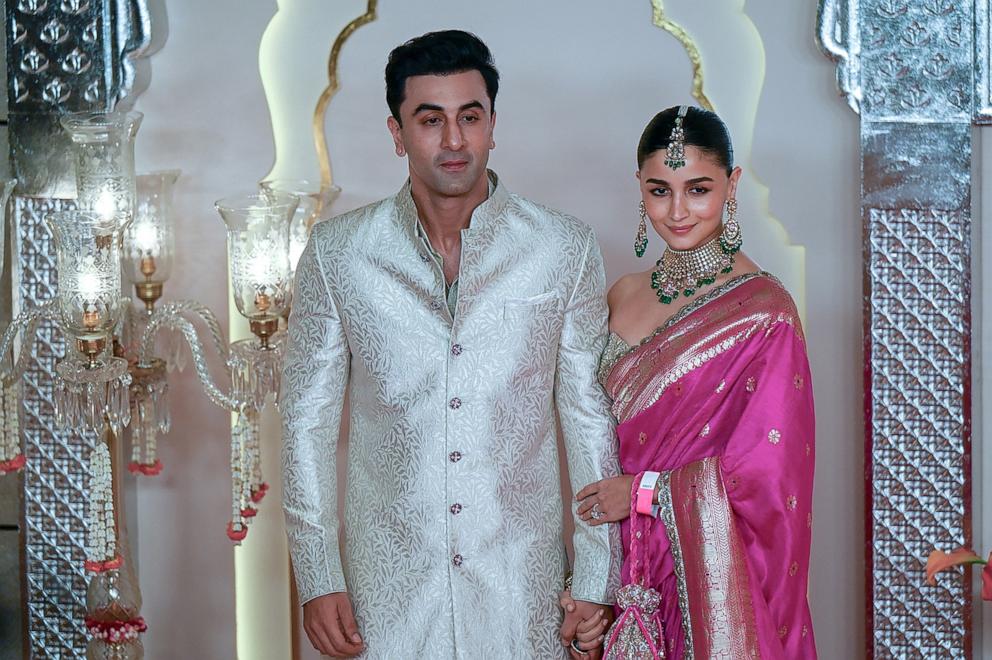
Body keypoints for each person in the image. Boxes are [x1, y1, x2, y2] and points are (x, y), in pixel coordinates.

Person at [280, 30, 621, 658]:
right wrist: (318, 574)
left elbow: (588, 416)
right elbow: (307, 424)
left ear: (494, 122)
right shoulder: (339, 254)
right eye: (430, 120)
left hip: (523, 587)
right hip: (384, 595)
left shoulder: (562, 248)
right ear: (396, 131)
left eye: (471, 116)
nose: (455, 140)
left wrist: (599, 577)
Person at [562, 106, 816, 658]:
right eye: (659, 190)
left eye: (697, 189)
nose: (677, 211)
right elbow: (588, 436)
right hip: (622, 562)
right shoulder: (622, 295)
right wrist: (589, 577)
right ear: (639, 189)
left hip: (709, 575)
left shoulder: (764, 313)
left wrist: (645, 492)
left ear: (732, 185)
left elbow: (769, 472)